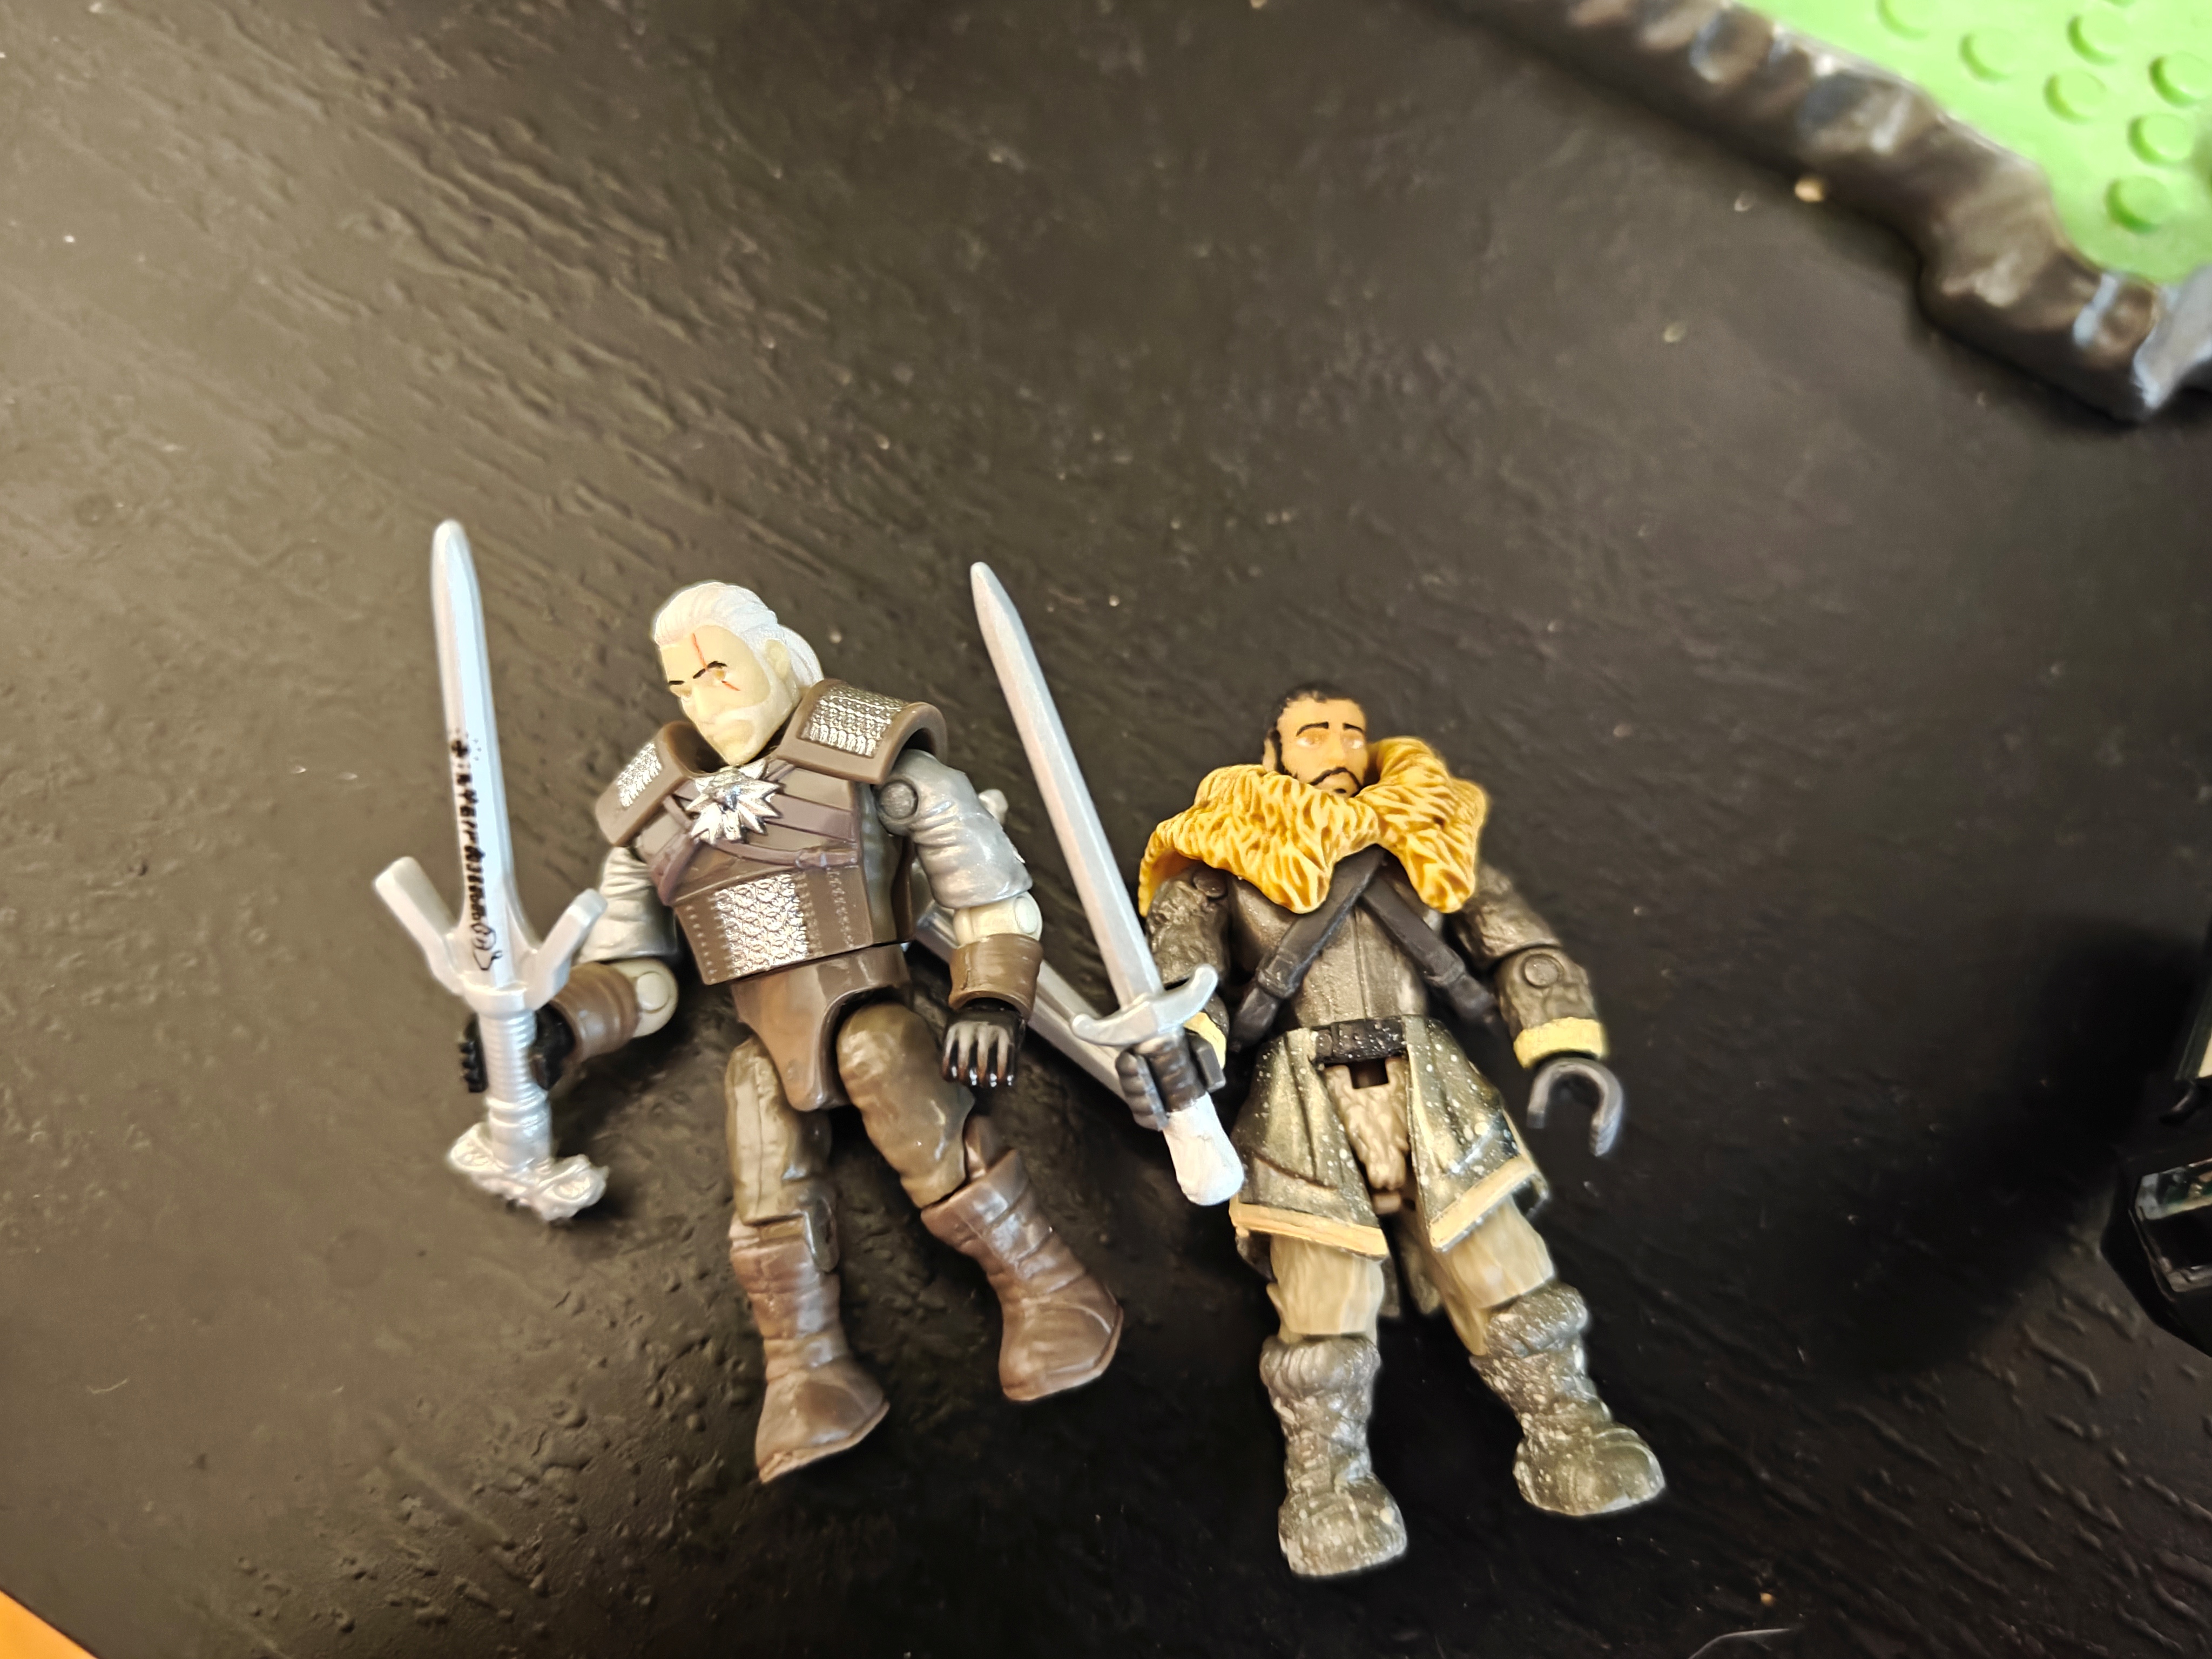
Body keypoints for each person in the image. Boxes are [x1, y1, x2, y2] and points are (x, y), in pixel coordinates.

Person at [503, 581, 1121, 1481]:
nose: (704, 699)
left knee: (883, 1056)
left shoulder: (867, 756)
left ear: (778, 658)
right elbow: (639, 974)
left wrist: (989, 997)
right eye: (684, 684)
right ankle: (805, 1371)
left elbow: (990, 894)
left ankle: (1049, 1287)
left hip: (870, 997)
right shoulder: (653, 817)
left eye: (720, 671)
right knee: (756, 1108)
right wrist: (562, 1026)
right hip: (764, 1030)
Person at [1137, 685, 1662, 1577]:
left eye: (1351, 730)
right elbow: (1186, 971)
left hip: (1431, 1084)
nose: (1338, 745)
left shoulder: (1428, 835)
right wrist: (1185, 1048)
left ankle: (1568, 1426)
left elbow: (1515, 941)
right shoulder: (1224, 848)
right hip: (1300, 1099)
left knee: (1498, 1258)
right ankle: (1328, 1481)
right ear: (1274, 752)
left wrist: (1562, 1043)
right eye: (1314, 732)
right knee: (1323, 1292)